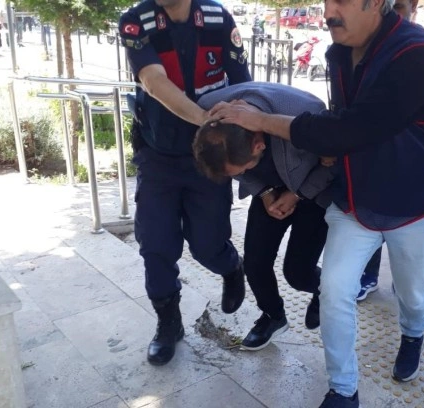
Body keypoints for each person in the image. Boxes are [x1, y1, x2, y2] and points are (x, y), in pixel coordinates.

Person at [210, 0, 424, 404]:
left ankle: (412, 334)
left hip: (413, 202)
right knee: (335, 289)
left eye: (342, 0)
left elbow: (351, 129)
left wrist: (261, 121)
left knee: (411, 292)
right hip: (354, 200)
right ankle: (343, 389)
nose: (329, 11)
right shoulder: (339, 52)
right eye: (327, 0)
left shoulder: (419, 53)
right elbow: (341, 130)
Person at [118, 0, 251, 366]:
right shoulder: (136, 20)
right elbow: (154, 81)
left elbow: (243, 85)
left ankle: (231, 267)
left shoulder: (217, 18)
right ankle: (168, 322)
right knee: (156, 244)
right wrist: (204, 119)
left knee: (207, 245)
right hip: (158, 155)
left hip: (207, 159)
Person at [194, 82, 334, 350]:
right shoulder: (213, 113)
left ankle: (323, 290)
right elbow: (231, 167)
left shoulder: (309, 115)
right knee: (255, 263)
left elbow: (334, 165)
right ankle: (273, 316)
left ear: (259, 145)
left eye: (242, 169)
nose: (239, 175)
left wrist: (297, 194)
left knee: (297, 272)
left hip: (314, 190)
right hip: (270, 189)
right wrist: (266, 193)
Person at [356, 0, 424, 302]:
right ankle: (368, 275)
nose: (392, 16)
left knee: (410, 234)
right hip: (374, 155)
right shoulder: (364, 43)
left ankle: (406, 282)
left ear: (414, 5)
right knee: (371, 215)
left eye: (399, 7)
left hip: (415, 156)